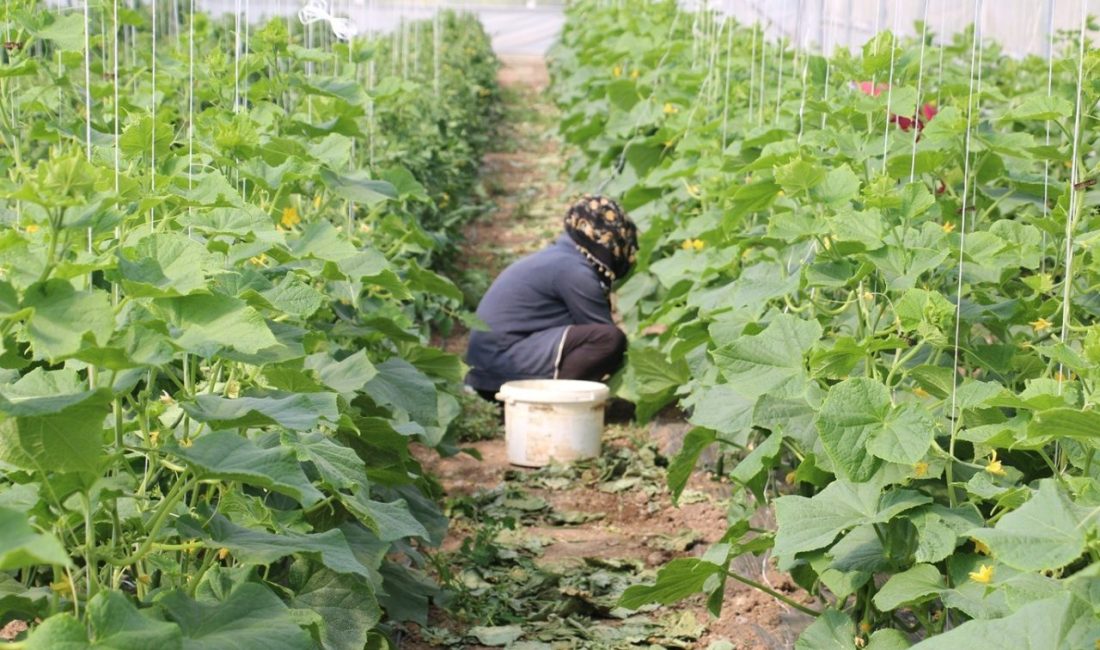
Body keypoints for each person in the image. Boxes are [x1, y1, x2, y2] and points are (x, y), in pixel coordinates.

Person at [465, 195, 638, 400]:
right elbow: (604, 336)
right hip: (503, 365)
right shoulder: (575, 271)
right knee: (609, 339)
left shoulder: (560, 257)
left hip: (489, 367)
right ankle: (555, 401)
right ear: (612, 240)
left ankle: (544, 395)